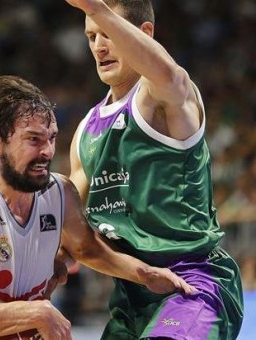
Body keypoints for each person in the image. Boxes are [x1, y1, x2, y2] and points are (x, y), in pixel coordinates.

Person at [0, 75, 195, 340]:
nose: (48, 151)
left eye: (52, 137)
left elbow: (87, 249)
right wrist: (36, 312)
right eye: (34, 139)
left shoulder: (58, 192)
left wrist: (144, 274)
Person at [65, 0, 244, 339]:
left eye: (108, 33)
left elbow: (169, 74)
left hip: (193, 283)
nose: (99, 46)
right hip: (131, 295)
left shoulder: (161, 96)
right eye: (91, 37)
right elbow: (68, 219)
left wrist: (96, 7)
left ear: (144, 33)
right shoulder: (85, 130)